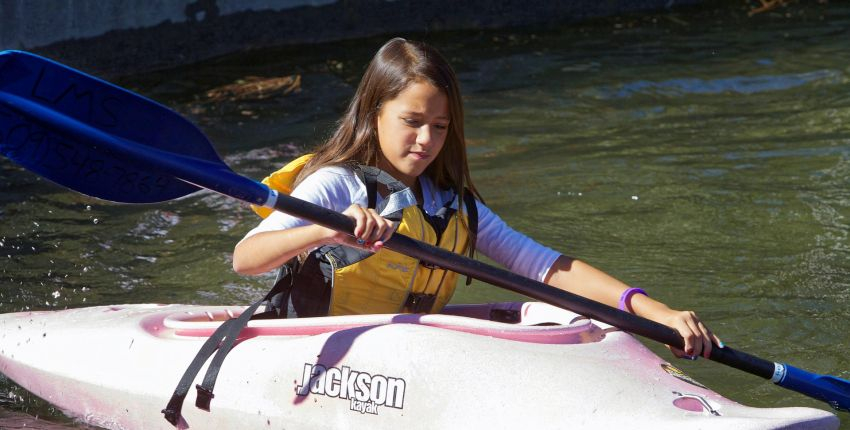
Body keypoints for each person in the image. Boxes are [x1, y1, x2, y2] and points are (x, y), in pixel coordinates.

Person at [232, 37, 722, 360]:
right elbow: (245, 260)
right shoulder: (337, 184)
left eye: (440, 127)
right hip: (314, 352)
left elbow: (546, 267)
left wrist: (656, 313)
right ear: (374, 113)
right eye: (412, 122)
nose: (426, 139)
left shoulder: (452, 203)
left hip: (405, 355)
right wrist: (325, 228)